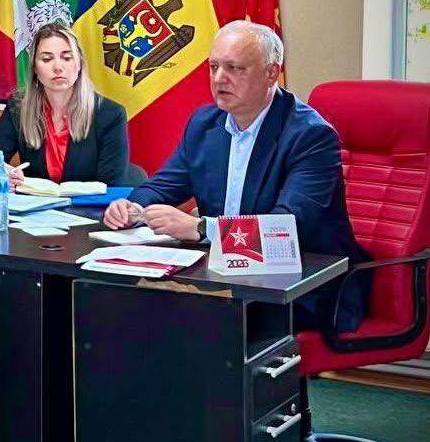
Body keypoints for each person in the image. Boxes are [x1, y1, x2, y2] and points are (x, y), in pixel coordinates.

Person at [103, 20, 370, 332]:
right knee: (123, 301)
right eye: (214, 67)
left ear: (271, 73)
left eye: (234, 68)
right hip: (224, 273)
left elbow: (286, 228)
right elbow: (165, 184)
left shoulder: (310, 136)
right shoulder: (205, 123)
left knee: (181, 320)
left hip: (300, 285)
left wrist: (200, 228)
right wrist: (132, 207)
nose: (219, 78)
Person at [0, 2, 129, 188]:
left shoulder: (110, 114)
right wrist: (3, 171)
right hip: (35, 206)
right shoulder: (19, 108)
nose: (58, 67)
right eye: (47, 59)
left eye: (67, 58)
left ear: (79, 64)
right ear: (35, 69)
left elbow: (113, 186)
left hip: (89, 207)